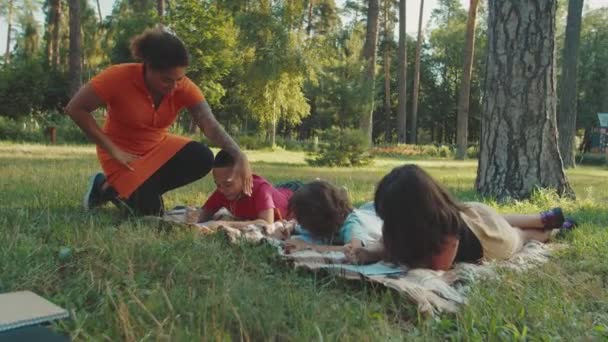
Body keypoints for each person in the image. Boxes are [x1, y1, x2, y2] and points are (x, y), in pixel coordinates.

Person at [65, 27, 251, 216]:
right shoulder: (117, 77)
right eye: (166, 80)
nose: (174, 87)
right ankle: (105, 186)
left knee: (202, 157)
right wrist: (113, 149)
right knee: (151, 213)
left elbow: (209, 124)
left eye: (179, 79)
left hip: (159, 148)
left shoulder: (183, 87)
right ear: (148, 66)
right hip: (123, 158)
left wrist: (238, 154)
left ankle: (134, 190)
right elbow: (75, 108)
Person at [348, 164, 576, 270]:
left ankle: (552, 228)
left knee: (519, 235)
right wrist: (369, 253)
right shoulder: (435, 214)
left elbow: (438, 266)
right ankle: (541, 218)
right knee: (498, 218)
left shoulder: (447, 234)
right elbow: (385, 243)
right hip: (473, 214)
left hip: (490, 242)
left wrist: (394, 255)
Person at [197, 150, 301, 228]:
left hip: (296, 196)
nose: (222, 190)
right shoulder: (223, 190)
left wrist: (222, 224)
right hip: (278, 190)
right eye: (218, 185)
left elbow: (266, 223)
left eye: (228, 185)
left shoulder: (261, 190)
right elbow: (204, 215)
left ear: (244, 177)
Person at [283, 180, 382, 254]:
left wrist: (308, 246)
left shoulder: (352, 225)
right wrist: (290, 226)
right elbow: (295, 226)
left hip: (379, 215)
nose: (301, 224)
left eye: (302, 219)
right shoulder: (322, 223)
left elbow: (354, 251)